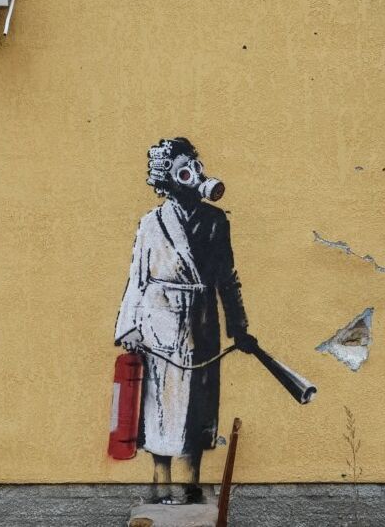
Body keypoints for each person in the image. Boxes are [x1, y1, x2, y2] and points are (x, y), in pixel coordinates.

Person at [113, 137, 257, 505]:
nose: (193, 173)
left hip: (201, 322)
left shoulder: (215, 221)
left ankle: (191, 486)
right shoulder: (151, 223)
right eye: (183, 169)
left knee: (197, 409)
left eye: (194, 165)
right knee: (160, 409)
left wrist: (238, 326)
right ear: (168, 178)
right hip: (159, 326)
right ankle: (161, 485)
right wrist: (129, 327)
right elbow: (137, 278)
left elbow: (228, 278)